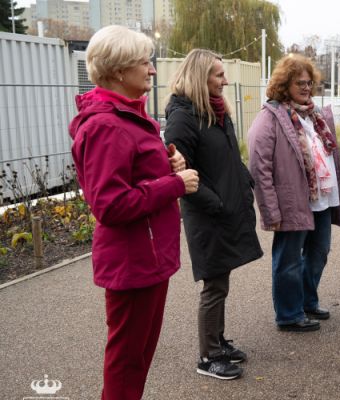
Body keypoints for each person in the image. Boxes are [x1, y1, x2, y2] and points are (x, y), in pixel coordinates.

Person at [68, 25, 199, 399]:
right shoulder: (108, 126)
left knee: (137, 357)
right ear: (119, 70)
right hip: (132, 262)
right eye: (145, 62)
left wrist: (167, 165)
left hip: (147, 258)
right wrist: (175, 184)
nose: (152, 70)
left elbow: (133, 177)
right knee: (127, 361)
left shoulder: (128, 118)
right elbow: (109, 204)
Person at [164, 49, 263, 380]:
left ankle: (218, 341)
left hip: (226, 209)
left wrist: (245, 181)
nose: (226, 80)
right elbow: (182, 172)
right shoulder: (184, 117)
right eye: (218, 74)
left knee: (221, 279)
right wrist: (216, 203)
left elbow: (228, 158)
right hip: (208, 214)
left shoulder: (216, 111)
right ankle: (208, 357)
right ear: (199, 76)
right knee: (214, 284)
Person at [248, 54, 340, 333]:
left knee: (319, 252)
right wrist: (270, 210)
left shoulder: (315, 115)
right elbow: (259, 166)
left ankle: (306, 301)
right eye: (299, 83)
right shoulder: (271, 117)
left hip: (323, 199)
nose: (306, 87)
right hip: (292, 201)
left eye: (309, 82)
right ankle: (289, 314)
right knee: (288, 259)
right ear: (283, 85)